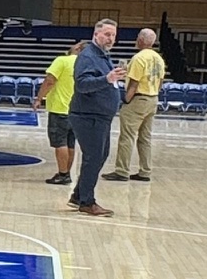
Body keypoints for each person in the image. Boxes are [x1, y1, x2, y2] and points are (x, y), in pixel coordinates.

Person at [68, 19, 126, 218]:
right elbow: (82, 85)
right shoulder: (88, 56)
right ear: (96, 34)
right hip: (87, 116)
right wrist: (107, 79)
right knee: (93, 158)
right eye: (107, 34)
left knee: (100, 156)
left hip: (100, 117)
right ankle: (87, 202)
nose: (111, 39)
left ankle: (78, 195)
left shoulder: (103, 56)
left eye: (114, 35)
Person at [105, 28, 167, 183]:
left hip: (138, 99)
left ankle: (122, 170)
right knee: (145, 138)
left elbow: (134, 82)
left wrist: (126, 99)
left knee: (127, 136)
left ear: (140, 40)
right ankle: (145, 171)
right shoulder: (158, 58)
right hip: (152, 98)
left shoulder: (139, 58)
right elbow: (160, 81)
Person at [33, 38, 85, 187]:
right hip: (76, 110)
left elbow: (49, 80)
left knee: (60, 143)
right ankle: (66, 173)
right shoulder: (83, 65)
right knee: (70, 143)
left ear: (79, 48)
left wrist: (39, 98)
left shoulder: (62, 60)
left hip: (60, 108)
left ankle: (63, 174)